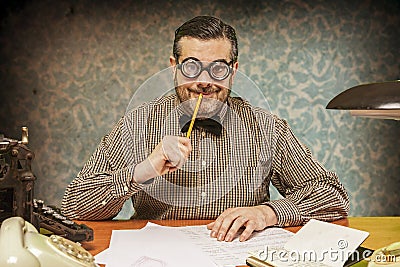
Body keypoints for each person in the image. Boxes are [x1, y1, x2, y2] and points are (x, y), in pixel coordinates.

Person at [61, 15, 349, 242]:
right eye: (191, 67)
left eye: (218, 69)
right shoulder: (137, 124)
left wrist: (268, 212)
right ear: (173, 67)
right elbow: (74, 207)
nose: (204, 81)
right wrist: (143, 170)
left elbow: (333, 195)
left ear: (233, 70)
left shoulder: (267, 127)